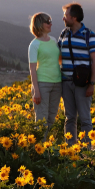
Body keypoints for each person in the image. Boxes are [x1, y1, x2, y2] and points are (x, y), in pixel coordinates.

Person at [58, 3, 95, 145]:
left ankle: (87, 152)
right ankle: (70, 151)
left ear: (74, 17)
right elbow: (57, 55)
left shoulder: (89, 35)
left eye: (66, 15)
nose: (63, 18)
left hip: (82, 84)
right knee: (69, 118)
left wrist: (91, 84)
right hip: (65, 82)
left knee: (85, 119)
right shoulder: (63, 34)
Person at [28, 12, 62, 140]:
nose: (50, 23)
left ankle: (48, 149)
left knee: (51, 118)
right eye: (48, 21)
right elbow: (32, 68)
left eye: (50, 21)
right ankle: (40, 151)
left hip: (57, 83)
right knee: (41, 120)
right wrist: (36, 90)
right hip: (42, 84)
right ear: (39, 24)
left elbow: (59, 60)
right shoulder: (34, 44)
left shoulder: (53, 40)